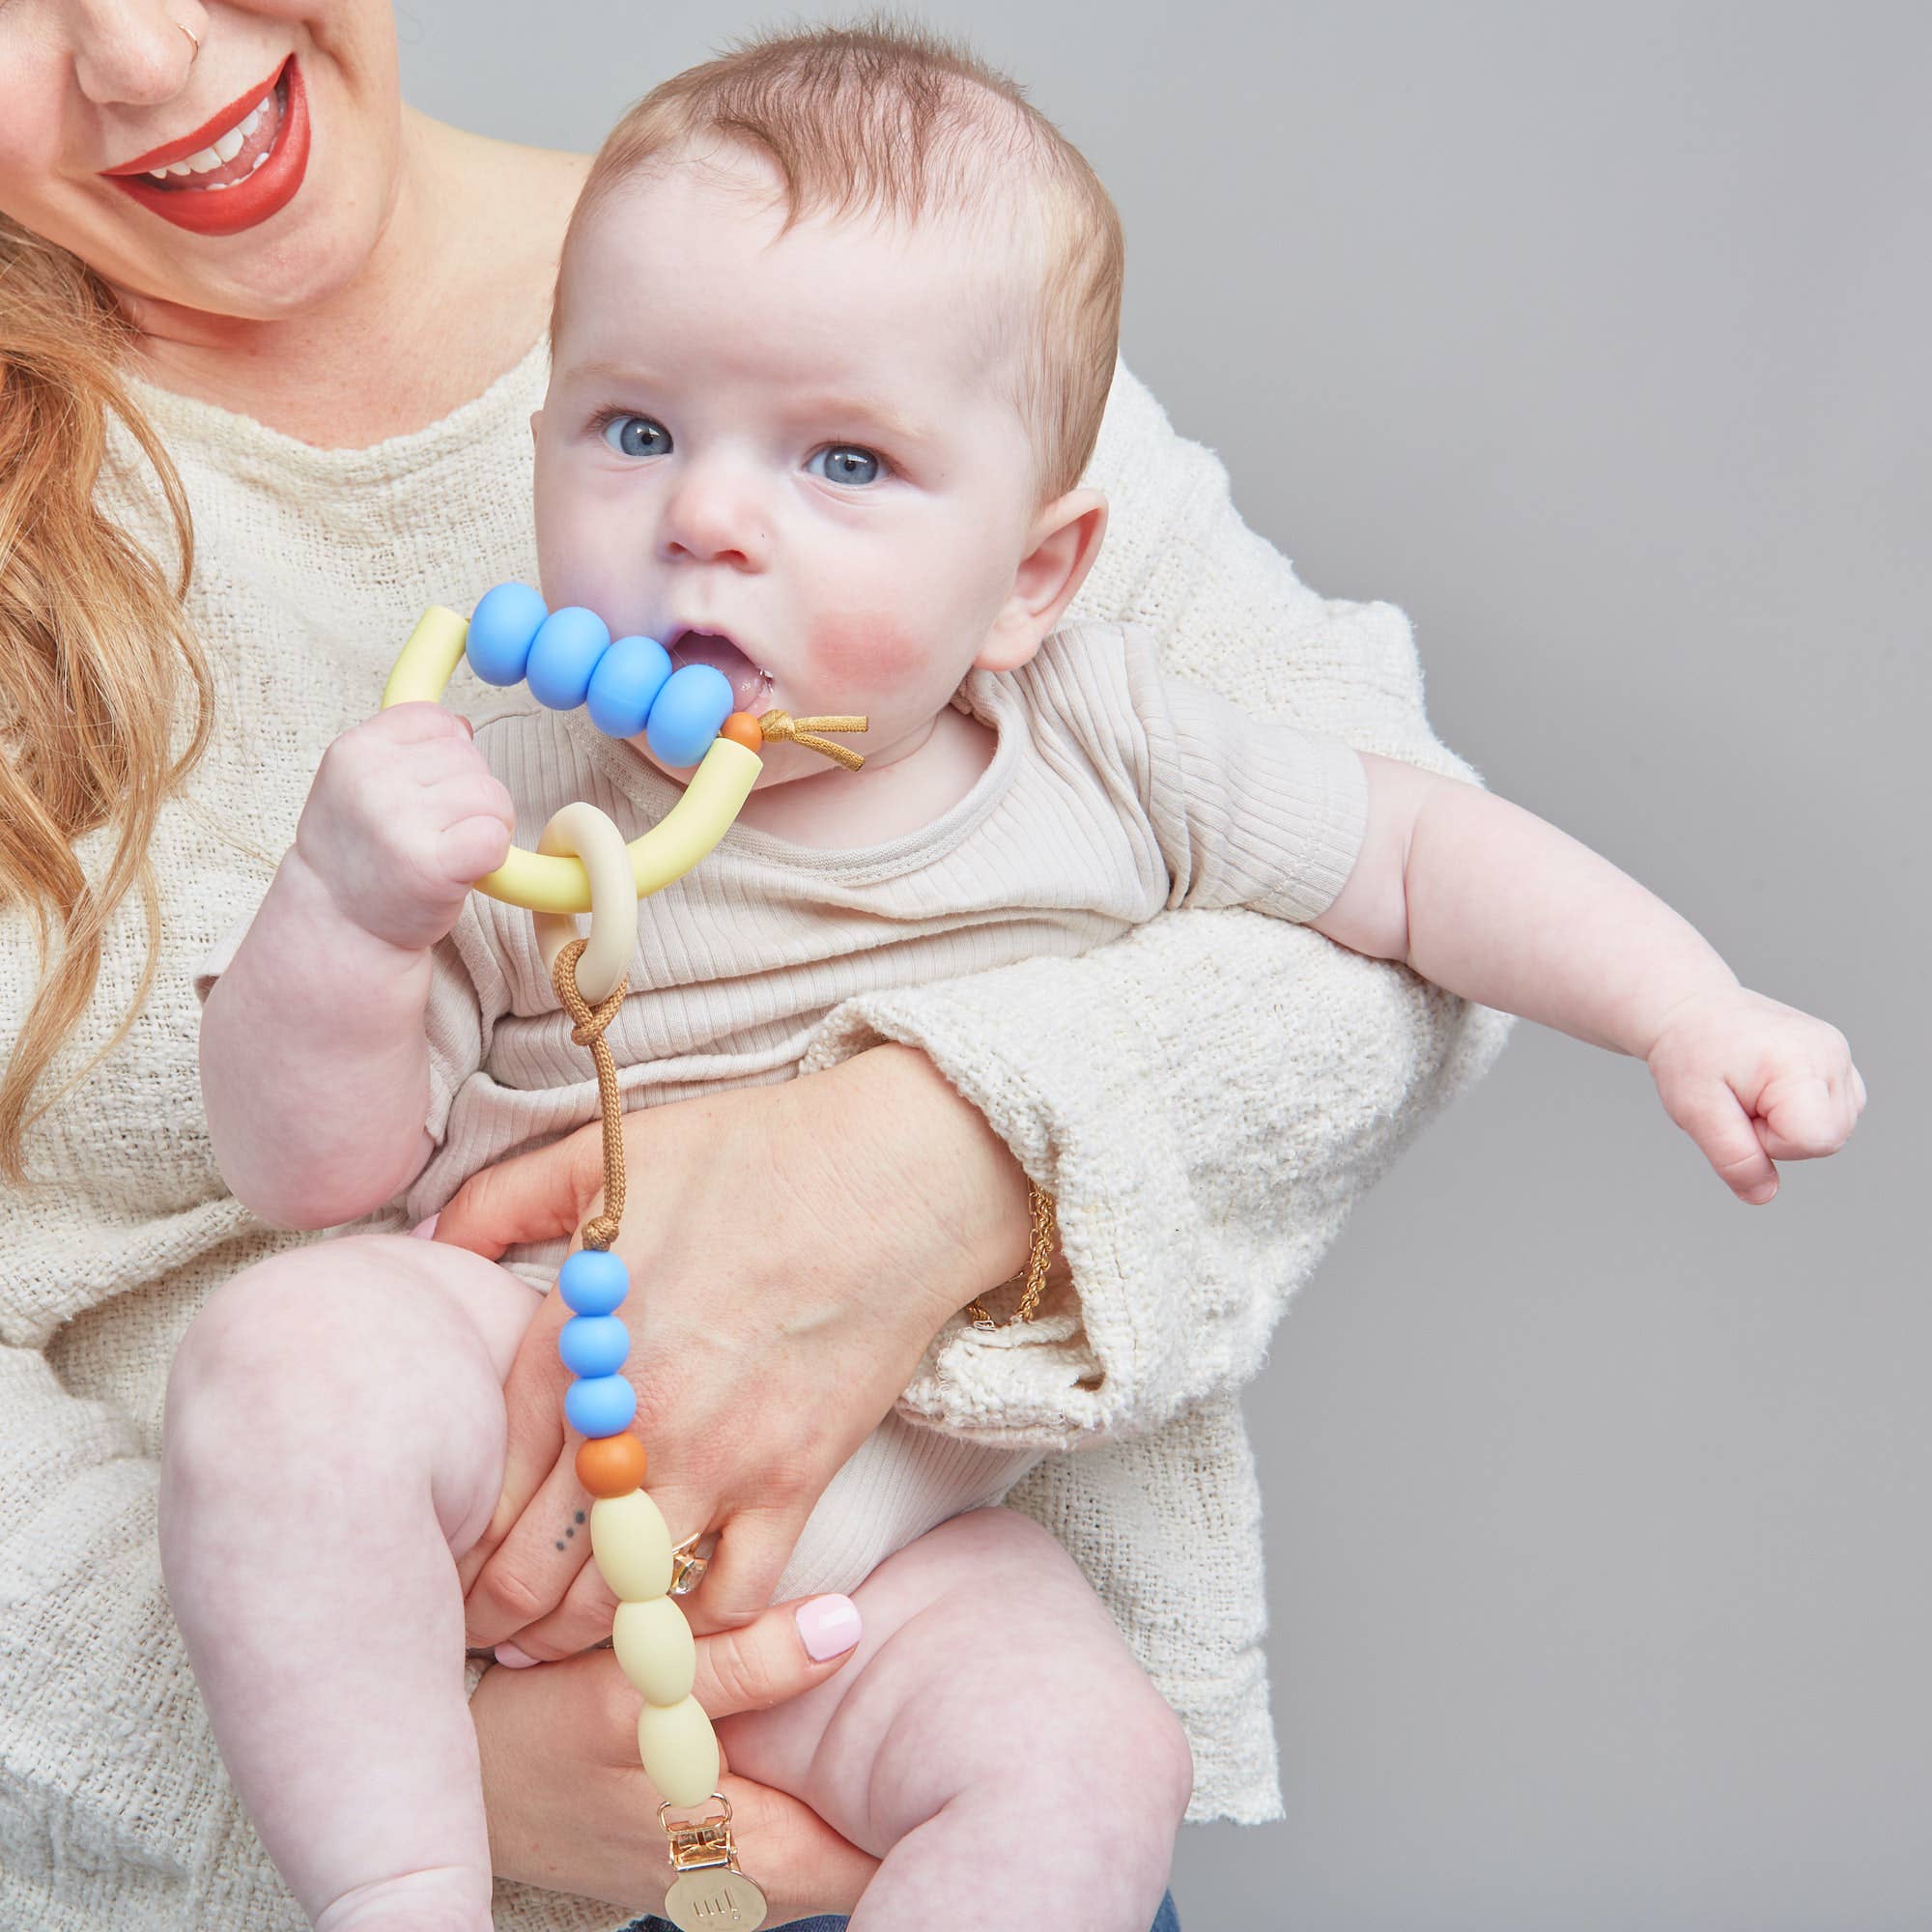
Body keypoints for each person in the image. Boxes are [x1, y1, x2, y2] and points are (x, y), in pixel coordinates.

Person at [176, 23, 1863, 1932]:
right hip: (507, 1446)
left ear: (1033, 575)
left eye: (844, 461)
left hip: (885, 1558)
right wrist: (344, 907)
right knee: (291, 1359)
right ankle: (396, 1890)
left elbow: (1414, 854)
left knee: (1087, 1758)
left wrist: (1683, 1003)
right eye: (634, 429)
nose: (708, 515)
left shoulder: (1104, 744)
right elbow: (308, 1172)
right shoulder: (507, 787)